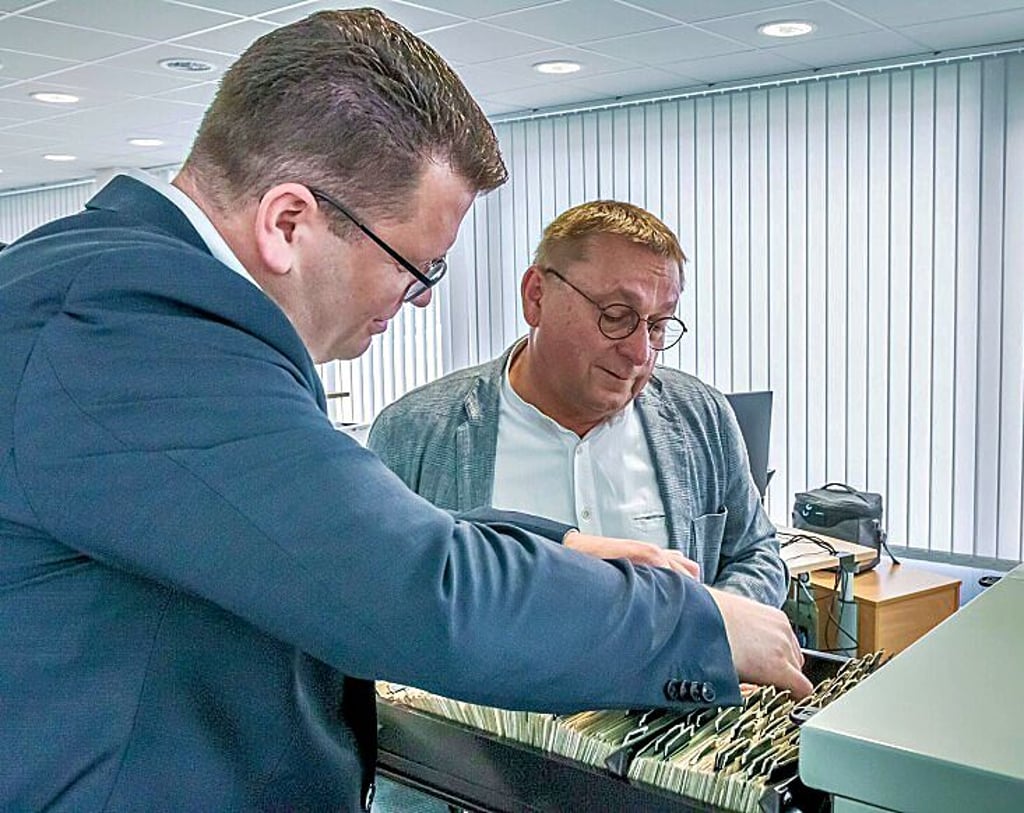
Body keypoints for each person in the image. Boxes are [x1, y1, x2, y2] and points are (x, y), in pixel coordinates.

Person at [0, 9, 810, 812]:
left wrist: (555, 545)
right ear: (288, 223)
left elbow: (307, 534)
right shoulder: (131, 326)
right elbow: (410, 589)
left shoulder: (119, 299)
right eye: (414, 266)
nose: (420, 298)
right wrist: (693, 623)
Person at [369, 200, 787, 608]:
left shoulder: (701, 415)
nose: (640, 353)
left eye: (658, 326)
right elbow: (381, 591)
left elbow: (757, 553)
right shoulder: (416, 433)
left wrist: (709, 622)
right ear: (536, 297)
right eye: (617, 315)